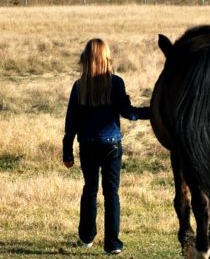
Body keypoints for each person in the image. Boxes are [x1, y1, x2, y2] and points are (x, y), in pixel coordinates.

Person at [62, 38, 150, 255]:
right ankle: (112, 243)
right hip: (111, 145)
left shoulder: (79, 86)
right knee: (112, 193)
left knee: (89, 189)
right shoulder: (116, 82)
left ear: (86, 59)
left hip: (87, 145)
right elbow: (128, 112)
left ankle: (86, 236)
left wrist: (67, 151)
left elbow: (71, 121)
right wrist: (153, 112)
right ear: (106, 58)